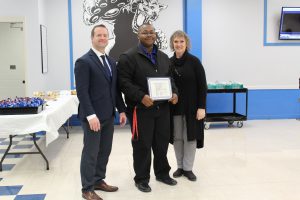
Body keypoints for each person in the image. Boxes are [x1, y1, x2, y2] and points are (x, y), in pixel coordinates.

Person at [117, 23, 178, 193]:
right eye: (145, 32)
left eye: (152, 32)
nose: (149, 35)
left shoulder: (164, 57)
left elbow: (170, 79)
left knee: (161, 143)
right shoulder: (127, 57)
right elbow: (123, 83)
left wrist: (174, 93)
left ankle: (162, 173)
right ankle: (142, 178)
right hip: (141, 109)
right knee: (142, 145)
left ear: (155, 35)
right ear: (138, 34)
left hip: (163, 109)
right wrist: (140, 97)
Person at [74, 24, 127, 200]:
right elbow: (82, 91)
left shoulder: (112, 62)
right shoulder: (84, 61)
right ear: (92, 38)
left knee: (104, 151)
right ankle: (87, 189)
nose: (102, 38)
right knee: (91, 153)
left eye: (105, 35)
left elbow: (116, 90)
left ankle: (98, 180)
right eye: (99, 35)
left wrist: (122, 110)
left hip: (108, 116)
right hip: (93, 118)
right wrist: (91, 115)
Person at [169, 30, 207, 182]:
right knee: (177, 137)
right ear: (172, 43)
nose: (178, 44)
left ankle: (188, 168)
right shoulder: (168, 63)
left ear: (186, 44)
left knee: (190, 137)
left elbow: (202, 86)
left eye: (181, 42)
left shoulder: (195, 62)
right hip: (175, 107)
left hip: (193, 108)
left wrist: (202, 107)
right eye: (176, 41)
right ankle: (179, 166)